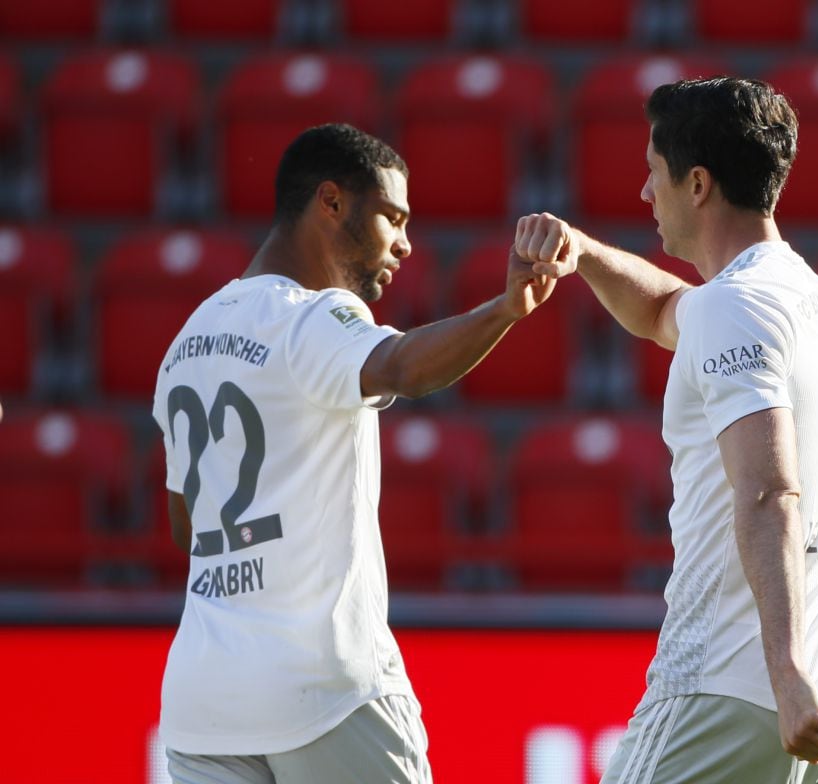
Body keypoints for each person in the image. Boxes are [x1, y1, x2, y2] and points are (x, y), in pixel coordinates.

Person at [151, 123, 554, 784]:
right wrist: (505, 310)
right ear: (331, 203)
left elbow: (185, 525)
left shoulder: (187, 340)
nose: (405, 242)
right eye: (393, 217)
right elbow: (399, 367)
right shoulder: (312, 317)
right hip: (324, 687)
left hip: (204, 701)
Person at [515, 77, 818, 783]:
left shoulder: (734, 308)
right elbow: (664, 311)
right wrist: (583, 253)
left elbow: (768, 492)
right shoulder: (803, 293)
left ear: (696, 183)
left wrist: (787, 672)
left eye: (653, 173)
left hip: (736, 681)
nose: (643, 195)